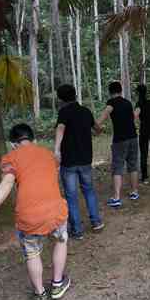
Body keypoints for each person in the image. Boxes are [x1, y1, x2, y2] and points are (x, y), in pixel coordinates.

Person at [0, 124, 71, 300]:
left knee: (32, 254)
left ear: (13, 144)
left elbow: (7, 182)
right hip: (55, 211)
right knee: (61, 240)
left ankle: (40, 295)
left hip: (29, 217)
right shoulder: (47, 153)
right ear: (34, 140)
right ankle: (57, 285)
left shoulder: (11, 158)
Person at [54, 84, 104, 241]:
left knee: (71, 196)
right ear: (75, 95)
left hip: (69, 162)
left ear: (61, 98)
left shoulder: (64, 112)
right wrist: (98, 129)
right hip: (85, 160)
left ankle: (77, 230)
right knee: (89, 190)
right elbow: (97, 128)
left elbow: (60, 128)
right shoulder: (85, 111)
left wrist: (56, 149)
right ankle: (96, 222)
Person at [96, 81, 140, 208]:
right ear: (121, 91)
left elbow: (105, 114)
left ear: (110, 92)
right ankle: (134, 192)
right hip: (133, 137)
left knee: (118, 166)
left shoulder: (111, 103)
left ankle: (116, 198)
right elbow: (132, 118)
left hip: (120, 139)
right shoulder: (127, 102)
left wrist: (96, 125)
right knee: (132, 164)